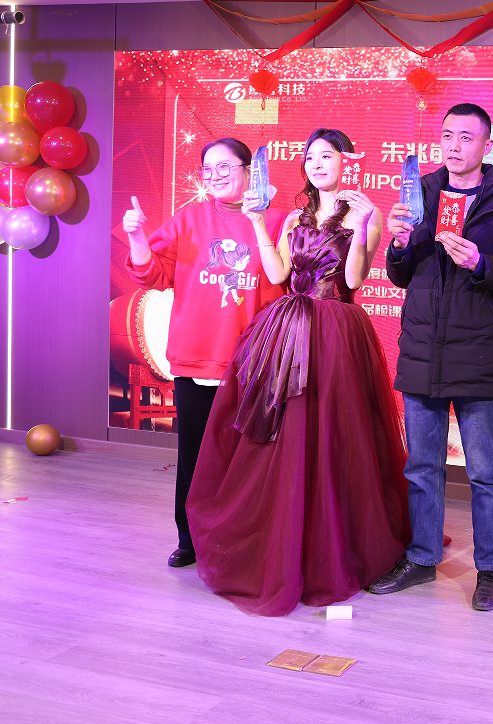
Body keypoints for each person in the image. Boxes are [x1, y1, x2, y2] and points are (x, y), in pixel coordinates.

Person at [184, 128, 410, 616]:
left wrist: (363, 225)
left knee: (333, 436)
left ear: (346, 162)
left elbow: (353, 279)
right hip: (287, 328)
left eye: (326, 156)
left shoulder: (364, 214)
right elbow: (277, 274)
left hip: (336, 332)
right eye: (310, 157)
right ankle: (278, 539)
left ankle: (332, 545)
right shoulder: (294, 216)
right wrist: (259, 225)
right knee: (281, 436)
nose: (316, 164)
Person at [367, 103, 493, 612]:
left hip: (480, 355)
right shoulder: (419, 193)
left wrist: (482, 263)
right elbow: (400, 275)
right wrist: (399, 244)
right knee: (422, 466)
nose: (454, 145)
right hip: (422, 352)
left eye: (466, 137)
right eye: (447, 135)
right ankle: (422, 557)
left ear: (487, 145)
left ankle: (489, 570)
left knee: (484, 472)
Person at [122, 138, 286, 569]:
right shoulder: (189, 219)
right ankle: (190, 539)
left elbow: (290, 284)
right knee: (194, 456)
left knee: (250, 458)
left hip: (254, 363)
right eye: (207, 169)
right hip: (196, 358)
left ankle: (246, 540)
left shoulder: (277, 221)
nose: (214, 176)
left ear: (249, 170)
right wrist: (136, 235)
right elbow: (151, 274)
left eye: (224, 167)